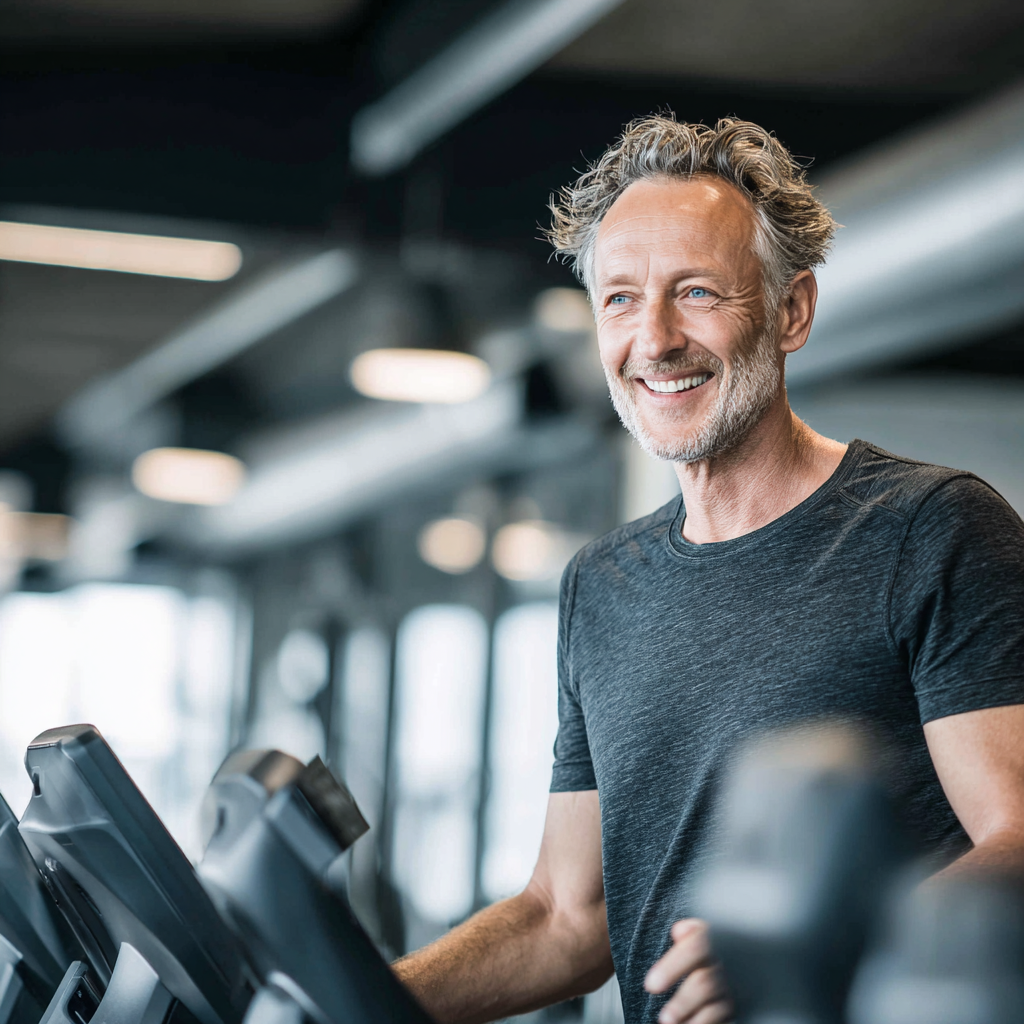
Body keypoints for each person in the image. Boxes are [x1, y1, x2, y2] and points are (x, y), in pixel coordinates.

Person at [392, 115, 1024, 1024]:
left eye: (695, 293)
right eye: (619, 299)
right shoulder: (600, 586)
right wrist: (352, 997)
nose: (652, 340)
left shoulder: (930, 531)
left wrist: (813, 949)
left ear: (792, 310)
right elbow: (569, 917)